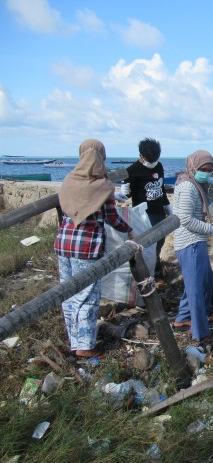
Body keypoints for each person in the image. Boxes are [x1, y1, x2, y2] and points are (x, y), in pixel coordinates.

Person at [55, 139, 133, 359]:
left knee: (68, 294)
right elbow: (112, 219)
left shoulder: (69, 180)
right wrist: (130, 229)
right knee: (87, 295)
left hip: (63, 244)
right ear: (102, 157)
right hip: (86, 248)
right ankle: (85, 345)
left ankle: (74, 340)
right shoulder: (103, 186)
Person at [172, 149, 213, 342]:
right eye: (203, 168)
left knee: (196, 284)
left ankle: (183, 318)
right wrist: (211, 229)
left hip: (193, 241)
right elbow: (185, 218)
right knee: (199, 288)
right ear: (193, 166)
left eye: (210, 169)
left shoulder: (194, 183)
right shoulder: (188, 187)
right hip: (190, 242)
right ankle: (200, 332)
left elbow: (201, 209)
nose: (207, 172)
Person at [118, 138, 171, 278]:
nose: (152, 162)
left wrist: (168, 205)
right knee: (147, 247)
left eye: (156, 158)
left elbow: (161, 188)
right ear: (141, 155)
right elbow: (126, 195)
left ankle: (157, 268)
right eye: (149, 159)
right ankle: (147, 274)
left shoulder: (158, 166)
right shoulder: (133, 170)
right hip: (144, 215)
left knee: (160, 242)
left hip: (159, 211)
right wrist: (122, 191)